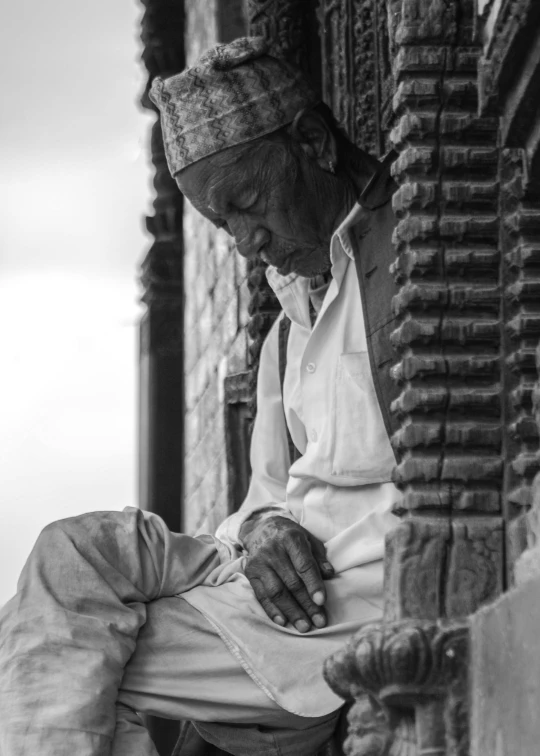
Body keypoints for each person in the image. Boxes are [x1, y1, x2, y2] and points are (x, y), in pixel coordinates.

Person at [0, 36, 402, 756]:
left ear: (312, 143)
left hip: (343, 612)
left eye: (248, 204)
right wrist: (263, 530)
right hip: (273, 593)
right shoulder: (286, 331)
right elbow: (267, 499)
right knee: (70, 566)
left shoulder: (406, 254)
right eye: (225, 225)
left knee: (59, 642)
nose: (247, 242)